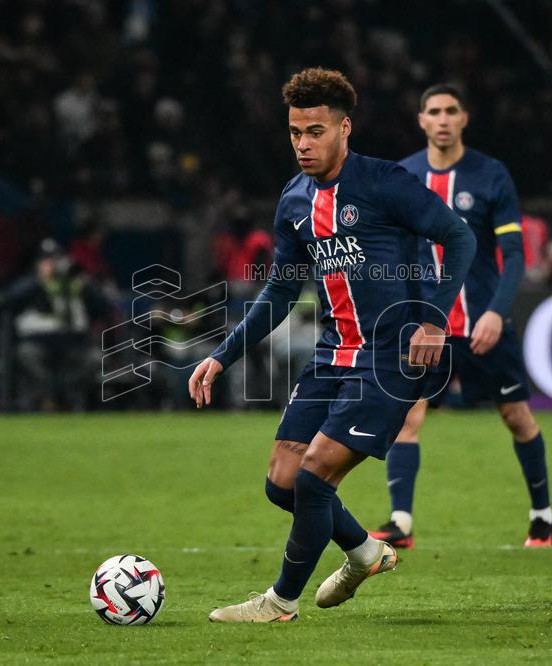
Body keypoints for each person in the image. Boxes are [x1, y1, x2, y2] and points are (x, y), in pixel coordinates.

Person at [187, 68, 476, 623]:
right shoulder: (294, 198)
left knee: (316, 474)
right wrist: (222, 355)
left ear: (345, 128)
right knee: (283, 482)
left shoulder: (385, 183)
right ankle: (365, 552)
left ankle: (280, 602)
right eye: (295, 131)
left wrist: (435, 321)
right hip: (334, 353)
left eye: (315, 131)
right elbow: (279, 288)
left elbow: (458, 236)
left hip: (391, 358)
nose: (302, 143)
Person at [369, 84, 552, 550]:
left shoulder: (491, 175)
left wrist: (496, 312)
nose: (443, 119)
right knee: (407, 418)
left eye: (452, 110)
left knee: (516, 416)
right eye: (434, 111)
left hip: (481, 326)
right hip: (425, 327)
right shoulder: (405, 175)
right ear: (421, 121)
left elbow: (513, 256)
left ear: (464, 118)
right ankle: (401, 523)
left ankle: (542, 517)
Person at [4, 239, 109, 411]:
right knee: (26, 354)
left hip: (73, 343)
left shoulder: (74, 284)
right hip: (38, 342)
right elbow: (9, 299)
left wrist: (85, 283)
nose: (52, 265)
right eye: (46, 260)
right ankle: (49, 396)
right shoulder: (31, 284)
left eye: (55, 260)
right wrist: (39, 280)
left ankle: (64, 393)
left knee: (95, 359)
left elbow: (103, 305)